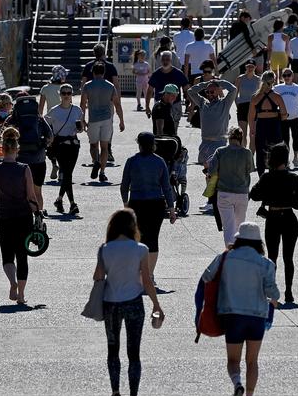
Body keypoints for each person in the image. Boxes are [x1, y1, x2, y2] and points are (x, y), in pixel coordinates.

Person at [200, 222, 279, 396]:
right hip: (257, 317)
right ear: (258, 242)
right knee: (252, 361)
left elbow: (206, 277)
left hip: (232, 315)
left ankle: (237, 384)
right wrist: (272, 301)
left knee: (233, 360)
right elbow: (273, 292)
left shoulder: (226, 257)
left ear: (238, 239)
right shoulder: (266, 263)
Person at [93, 208, 163, 396]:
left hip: (111, 303)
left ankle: (115, 394)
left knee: (112, 350)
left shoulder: (105, 249)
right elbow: (147, 281)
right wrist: (156, 304)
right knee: (134, 353)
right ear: (133, 227)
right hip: (134, 303)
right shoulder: (140, 249)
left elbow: (97, 277)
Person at [0, 127, 43, 306]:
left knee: (7, 255)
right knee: (22, 256)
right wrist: (38, 213)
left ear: (2, 148)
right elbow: (31, 196)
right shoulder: (25, 169)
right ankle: (21, 295)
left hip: (4, 217)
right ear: (17, 149)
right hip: (23, 217)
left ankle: (12, 282)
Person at [249, 144, 298, 304]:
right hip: (289, 217)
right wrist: (289, 198)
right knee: (289, 257)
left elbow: (254, 194)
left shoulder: (267, 177)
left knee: (272, 257)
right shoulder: (293, 178)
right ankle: (289, 291)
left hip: (272, 217)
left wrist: (268, 195)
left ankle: (271, 291)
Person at [120, 132, 178, 281]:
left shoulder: (131, 161)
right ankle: (149, 275)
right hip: (156, 204)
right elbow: (166, 187)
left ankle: (138, 273)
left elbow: (124, 186)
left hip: (136, 204)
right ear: (153, 145)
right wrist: (171, 209)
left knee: (137, 239)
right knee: (153, 239)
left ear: (139, 144)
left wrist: (126, 204)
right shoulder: (160, 162)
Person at [206, 128, 254, 246]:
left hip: (224, 193)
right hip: (242, 193)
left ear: (228, 137)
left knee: (228, 227)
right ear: (241, 138)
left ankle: (229, 252)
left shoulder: (220, 151)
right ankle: (239, 251)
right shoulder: (247, 153)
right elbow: (251, 169)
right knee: (239, 225)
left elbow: (212, 171)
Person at [81, 62, 125, 183]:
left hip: (93, 119)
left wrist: (82, 119)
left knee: (93, 145)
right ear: (104, 72)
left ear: (93, 72)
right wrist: (121, 120)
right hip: (107, 119)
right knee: (105, 147)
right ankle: (102, 172)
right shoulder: (110, 86)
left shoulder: (87, 86)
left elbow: (82, 104)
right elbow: (117, 104)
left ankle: (96, 162)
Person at [45, 84, 84, 215]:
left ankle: (59, 199)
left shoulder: (77, 110)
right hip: (60, 145)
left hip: (74, 144)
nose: (66, 96)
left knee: (68, 174)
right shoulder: (54, 110)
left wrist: (80, 128)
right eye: (64, 93)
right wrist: (49, 139)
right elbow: (45, 125)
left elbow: (82, 128)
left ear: (72, 94)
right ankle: (73, 204)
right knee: (67, 174)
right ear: (60, 95)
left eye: (69, 93)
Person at [188, 76, 239, 167]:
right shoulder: (203, 103)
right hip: (205, 143)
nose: (209, 94)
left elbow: (233, 89)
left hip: (219, 143)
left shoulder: (225, 103)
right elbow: (190, 91)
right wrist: (205, 84)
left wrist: (219, 82)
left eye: (212, 92)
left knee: (217, 170)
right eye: (207, 92)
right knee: (206, 172)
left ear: (218, 91)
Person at [248, 71, 289, 174]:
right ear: (273, 81)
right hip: (274, 125)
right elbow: (284, 114)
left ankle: (261, 175)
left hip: (261, 124)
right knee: (275, 151)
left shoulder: (255, 97)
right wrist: (281, 115)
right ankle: (273, 173)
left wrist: (252, 130)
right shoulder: (277, 96)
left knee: (260, 151)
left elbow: (251, 116)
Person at [273, 68, 298, 169]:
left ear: (292, 76)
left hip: (295, 117)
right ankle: (286, 160)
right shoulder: (277, 88)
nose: (287, 77)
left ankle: (296, 158)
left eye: (289, 75)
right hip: (283, 118)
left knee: (295, 138)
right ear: (282, 77)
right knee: (285, 140)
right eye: (284, 76)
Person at [235, 61, 261, 145]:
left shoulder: (258, 80)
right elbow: (235, 93)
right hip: (242, 106)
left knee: (253, 134)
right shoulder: (240, 78)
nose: (250, 68)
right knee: (242, 133)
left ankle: (251, 154)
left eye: (252, 66)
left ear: (255, 67)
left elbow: (260, 95)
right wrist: (237, 104)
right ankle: (243, 153)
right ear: (245, 67)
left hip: (253, 107)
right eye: (248, 66)